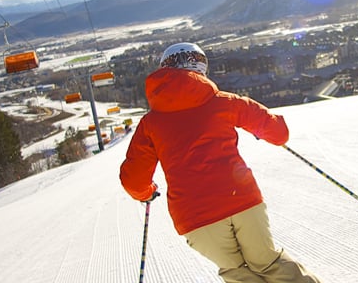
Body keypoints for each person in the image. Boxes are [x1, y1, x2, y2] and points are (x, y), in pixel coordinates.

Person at [119, 43, 321, 283]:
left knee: (236, 272)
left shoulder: (150, 124)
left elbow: (134, 180)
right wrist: (260, 129)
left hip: (194, 216)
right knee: (267, 262)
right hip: (241, 199)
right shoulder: (223, 101)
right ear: (201, 68)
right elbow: (279, 132)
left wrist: (147, 192)